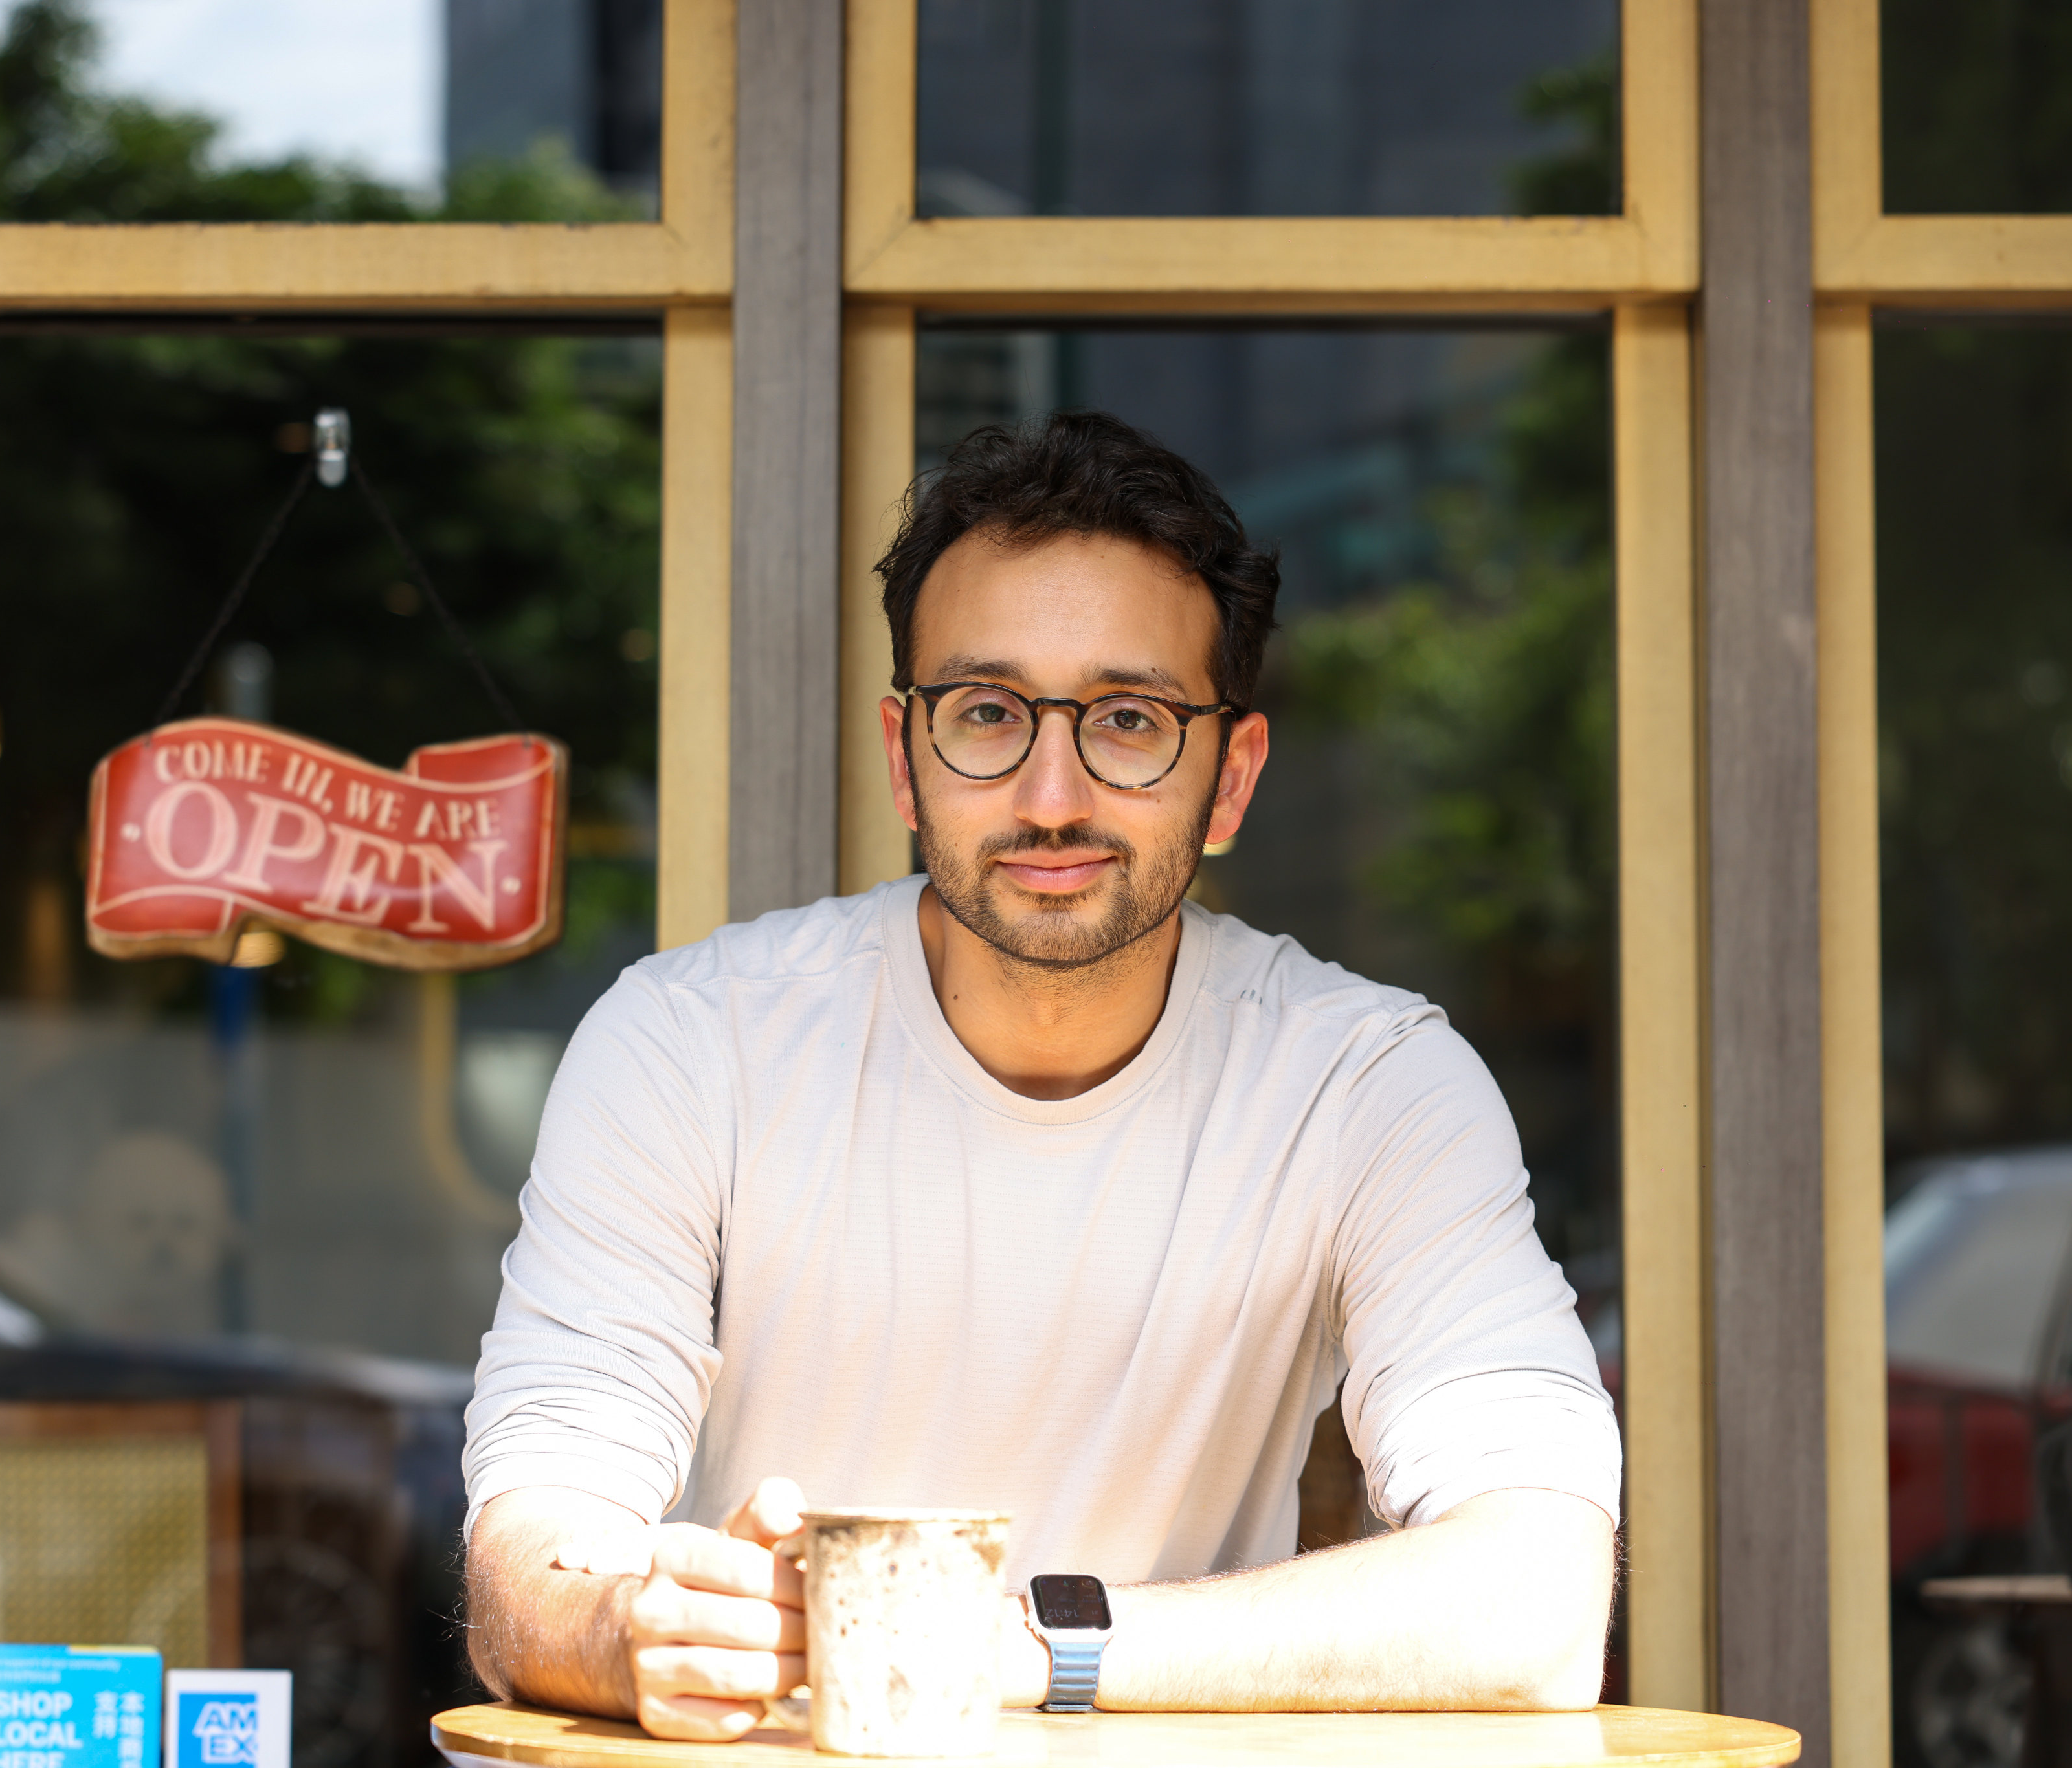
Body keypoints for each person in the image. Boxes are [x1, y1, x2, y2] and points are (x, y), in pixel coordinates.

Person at [460, 412, 1620, 1737]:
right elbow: (529, 1546)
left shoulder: (1366, 1085)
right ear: (904, 757)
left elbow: (1533, 1599)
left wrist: (1020, 1648)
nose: (1051, 791)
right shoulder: (685, 1044)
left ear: (1228, 777)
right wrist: (620, 1627)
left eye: (1127, 718)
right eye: (987, 714)